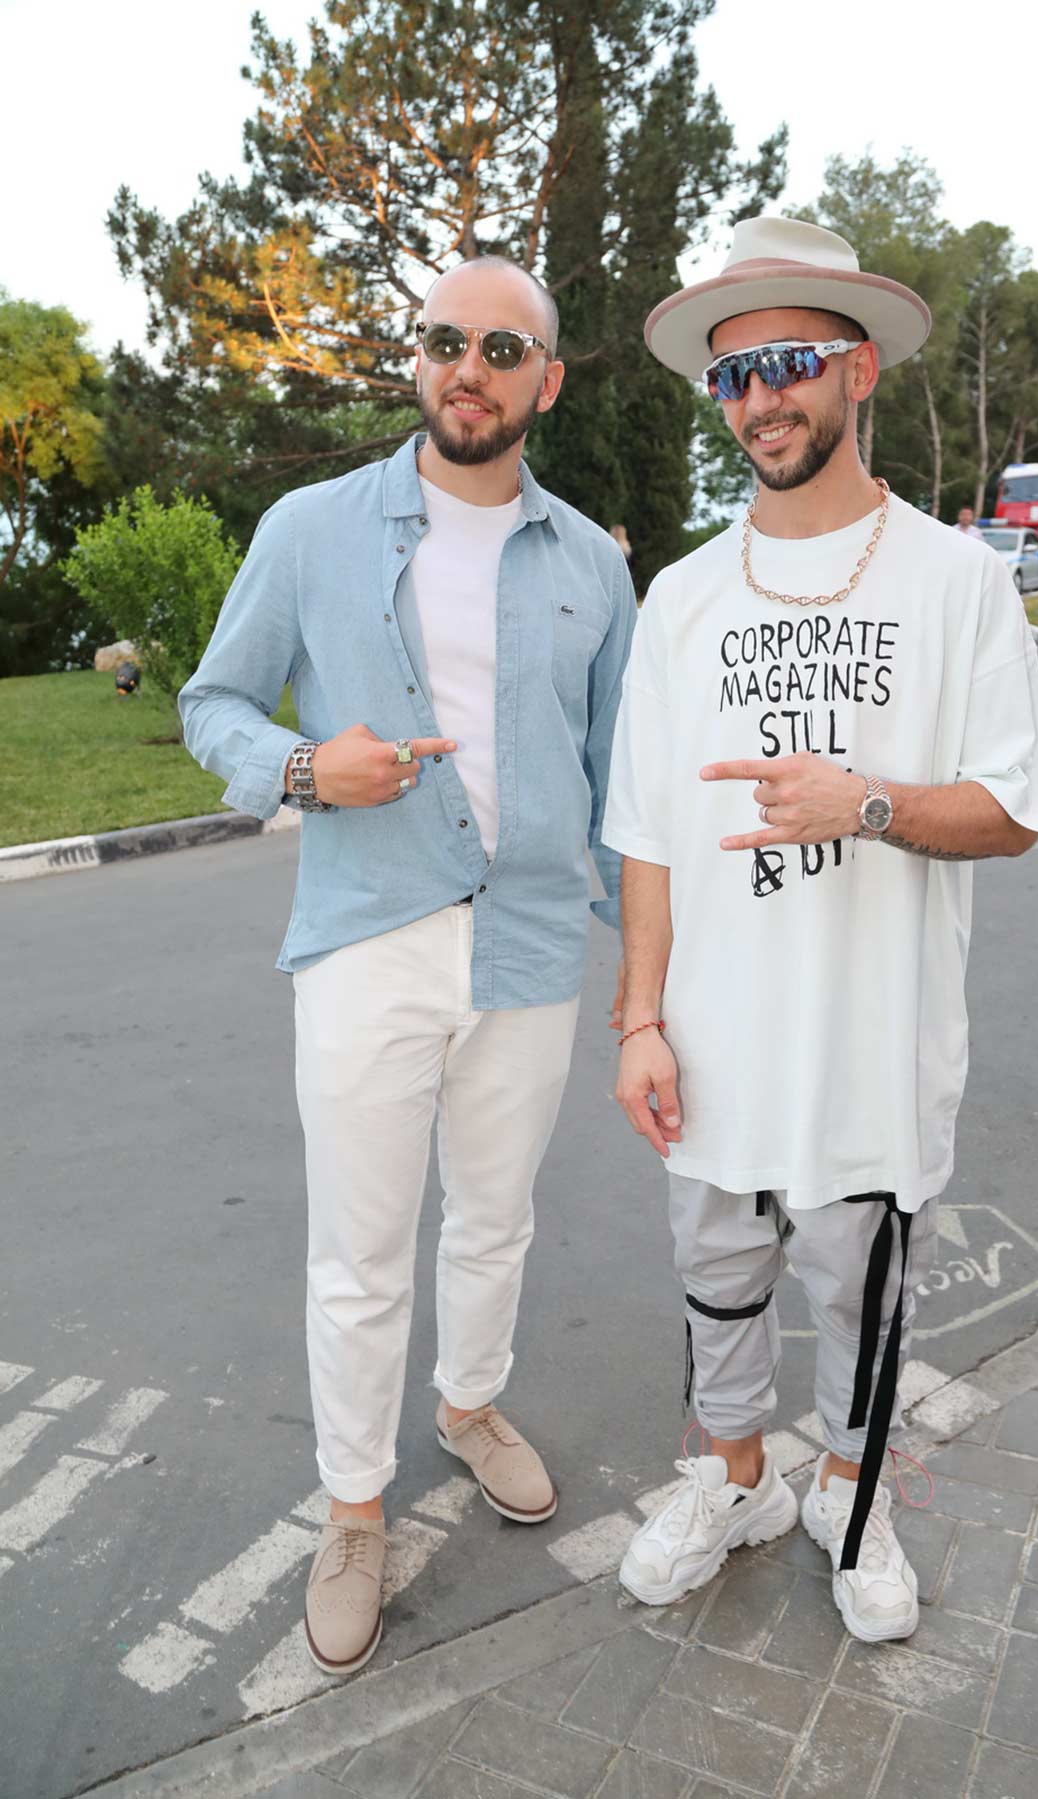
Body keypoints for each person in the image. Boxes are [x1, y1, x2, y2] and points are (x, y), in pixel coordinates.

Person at [602, 217, 1038, 1643]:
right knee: (717, 1277)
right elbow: (648, 831)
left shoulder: (955, 582)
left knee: (861, 1292)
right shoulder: (682, 597)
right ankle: (735, 1481)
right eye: (733, 376)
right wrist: (638, 1018)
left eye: (791, 363)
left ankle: (852, 1500)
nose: (762, 399)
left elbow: (1015, 807)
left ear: (858, 370)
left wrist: (864, 804)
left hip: (872, 1036)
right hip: (712, 1036)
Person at [179, 255, 637, 1677]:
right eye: (446, 340)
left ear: (545, 382)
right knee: (362, 1249)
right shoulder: (311, 530)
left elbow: (618, 782)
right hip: (369, 940)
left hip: (532, 941)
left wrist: (658, 976)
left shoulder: (593, 564)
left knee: (495, 1220)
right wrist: (307, 768)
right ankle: (356, 1508)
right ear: (418, 358)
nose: (468, 369)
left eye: (503, 350)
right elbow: (213, 701)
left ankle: (471, 1404)